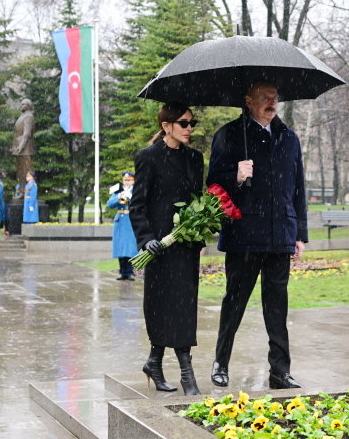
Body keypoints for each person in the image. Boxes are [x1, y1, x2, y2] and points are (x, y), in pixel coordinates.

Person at [206, 81, 308, 390]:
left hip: (280, 236)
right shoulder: (229, 135)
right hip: (244, 235)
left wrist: (299, 233)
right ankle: (220, 363)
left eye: (274, 98)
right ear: (248, 101)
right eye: (264, 98)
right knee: (234, 303)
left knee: (277, 307)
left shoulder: (289, 139)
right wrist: (235, 175)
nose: (271, 103)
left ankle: (280, 371)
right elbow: (213, 183)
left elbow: (298, 188)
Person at [130, 102, 203, 396]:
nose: (189, 128)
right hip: (160, 247)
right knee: (162, 307)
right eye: (183, 123)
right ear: (166, 126)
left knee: (184, 307)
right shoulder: (148, 158)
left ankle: (154, 363)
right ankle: (188, 376)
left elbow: (198, 199)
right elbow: (138, 205)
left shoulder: (195, 159)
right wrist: (147, 238)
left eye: (191, 123)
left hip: (186, 246)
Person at [107, 171, 139, 281]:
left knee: (130, 248)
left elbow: (140, 203)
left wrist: (130, 196)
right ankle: (122, 272)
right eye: (125, 180)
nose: (127, 182)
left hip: (130, 221)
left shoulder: (136, 190)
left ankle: (130, 272)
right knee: (120, 248)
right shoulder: (118, 191)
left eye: (129, 180)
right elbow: (110, 204)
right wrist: (120, 197)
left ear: (133, 181)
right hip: (120, 221)